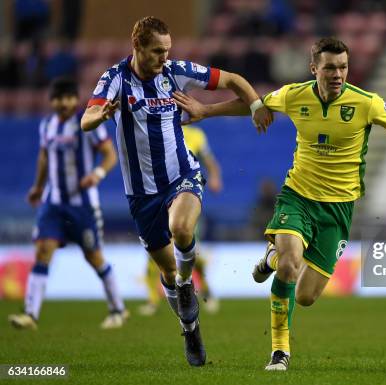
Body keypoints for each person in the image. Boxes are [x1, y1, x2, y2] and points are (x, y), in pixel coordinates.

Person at [173, 37, 386, 371]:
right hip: (298, 196)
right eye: (330, 67)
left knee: (305, 296)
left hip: (338, 209)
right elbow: (255, 106)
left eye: (343, 67)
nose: (338, 74)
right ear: (314, 68)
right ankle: (280, 350)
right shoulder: (294, 95)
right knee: (291, 263)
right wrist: (206, 110)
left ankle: (271, 259)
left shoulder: (367, 103)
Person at [80, 16, 272, 366]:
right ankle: (190, 328)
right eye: (156, 51)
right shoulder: (114, 79)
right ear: (136, 46)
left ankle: (187, 283)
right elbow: (86, 119)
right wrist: (103, 115)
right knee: (165, 272)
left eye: (167, 50)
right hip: (141, 194)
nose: (163, 58)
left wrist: (256, 105)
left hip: (181, 174)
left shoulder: (176, 71)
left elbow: (232, 80)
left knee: (182, 229)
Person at [8, 77, 125, 330]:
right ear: (51, 101)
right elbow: (43, 157)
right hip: (53, 202)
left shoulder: (87, 123)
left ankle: (118, 309)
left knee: (94, 257)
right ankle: (31, 314)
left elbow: (109, 155)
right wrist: (38, 187)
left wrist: (97, 174)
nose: (64, 103)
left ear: (75, 99)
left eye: (68, 98)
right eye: (58, 98)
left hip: (82, 205)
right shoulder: (47, 126)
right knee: (42, 251)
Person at [139, 124, 223, 317]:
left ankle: (207, 292)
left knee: (190, 250)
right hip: (160, 197)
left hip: (186, 199)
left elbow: (210, 161)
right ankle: (152, 301)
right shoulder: (156, 130)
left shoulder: (196, 135)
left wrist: (215, 177)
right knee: (155, 254)